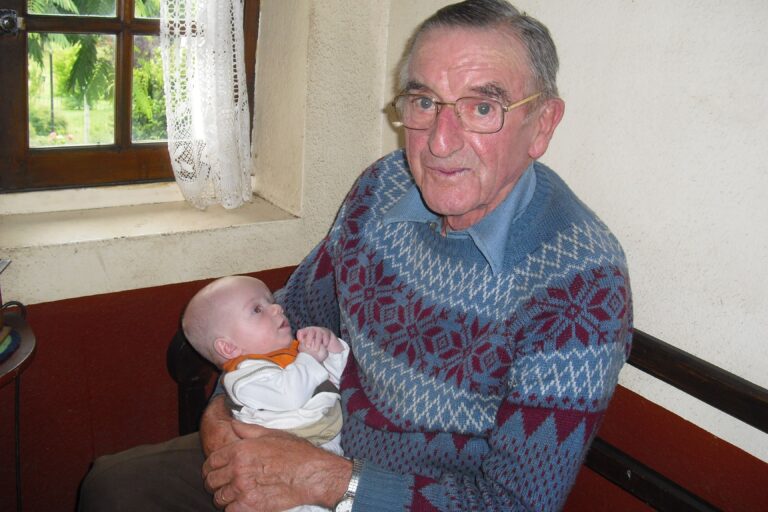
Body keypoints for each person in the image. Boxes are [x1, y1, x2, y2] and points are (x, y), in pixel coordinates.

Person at [79, 1, 633, 511]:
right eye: (424, 102)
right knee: (113, 488)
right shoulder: (384, 187)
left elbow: (515, 504)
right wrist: (222, 416)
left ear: (542, 125)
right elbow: (294, 312)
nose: (439, 142)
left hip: (395, 496)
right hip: (302, 431)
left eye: (482, 107)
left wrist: (328, 481)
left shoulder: (580, 283)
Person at [182, 275, 349, 512]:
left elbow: (343, 379)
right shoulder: (244, 378)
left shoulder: (294, 355)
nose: (277, 308)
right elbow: (289, 395)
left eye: (271, 301)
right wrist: (311, 357)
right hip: (277, 472)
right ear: (228, 347)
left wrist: (331, 346)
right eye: (257, 309)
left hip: (326, 456)